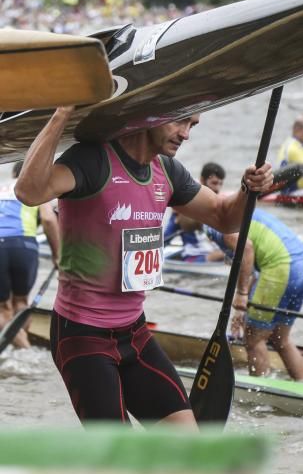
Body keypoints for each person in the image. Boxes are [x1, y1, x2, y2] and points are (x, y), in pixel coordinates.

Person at [14, 107, 273, 426]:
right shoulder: (93, 160)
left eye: (192, 125)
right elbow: (28, 191)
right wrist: (63, 111)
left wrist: (249, 190)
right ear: (152, 108)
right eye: (180, 121)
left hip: (134, 332)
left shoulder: (168, 172)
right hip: (82, 336)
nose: (186, 134)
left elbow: (224, 217)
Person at [205, 208, 303, 381]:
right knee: (280, 339)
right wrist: (242, 309)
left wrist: (241, 293)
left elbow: (246, 249)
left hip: (281, 270)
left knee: (253, 338)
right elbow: (254, 271)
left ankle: (260, 395)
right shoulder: (233, 208)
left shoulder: (214, 223)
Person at [0, 160, 59, 349]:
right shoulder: (33, 187)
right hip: (25, 246)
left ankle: (22, 351)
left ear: (13, 174)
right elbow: (49, 220)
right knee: (21, 303)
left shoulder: (1, 187)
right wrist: (58, 255)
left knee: (2, 309)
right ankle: (22, 349)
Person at [164, 162, 226, 262]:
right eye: (214, 183)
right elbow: (165, 239)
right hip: (194, 257)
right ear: (202, 180)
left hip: (214, 254)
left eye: (220, 184)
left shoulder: (219, 205)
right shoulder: (184, 208)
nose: (217, 188)